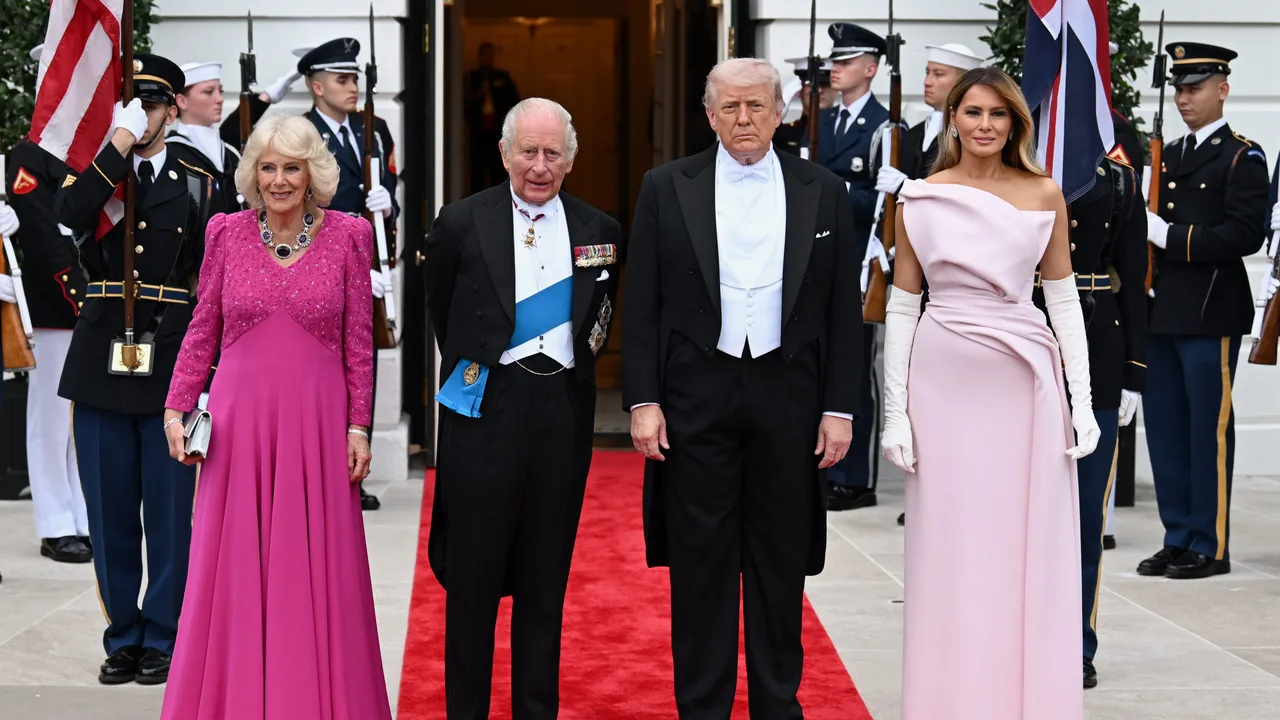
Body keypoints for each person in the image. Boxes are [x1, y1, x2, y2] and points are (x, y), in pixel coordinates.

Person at [624, 58, 861, 717]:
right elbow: (642, 302)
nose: (744, 118)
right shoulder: (666, 186)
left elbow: (843, 310)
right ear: (709, 115)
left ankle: (777, 705)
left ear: (781, 112)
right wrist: (643, 400)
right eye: (729, 107)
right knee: (699, 565)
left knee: (779, 563)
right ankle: (703, 707)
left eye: (757, 106)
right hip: (696, 394)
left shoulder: (824, 189)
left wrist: (839, 407)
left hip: (789, 396)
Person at [882, 67, 1099, 718]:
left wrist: (1083, 401)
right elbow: (902, 306)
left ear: (1015, 124)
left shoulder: (1044, 193)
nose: (984, 125)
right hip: (942, 387)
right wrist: (895, 413)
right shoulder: (920, 198)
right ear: (953, 119)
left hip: (1024, 384)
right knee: (950, 547)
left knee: (1022, 545)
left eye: (998, 114)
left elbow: (1064, 301)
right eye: (973, 112)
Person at [157, 115, 388, 719]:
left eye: (292, 168)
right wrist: (178, 405)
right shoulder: (225, 232)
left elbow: (359, 342)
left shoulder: (350, 235)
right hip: (240, 425)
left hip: (317, 424)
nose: (279, 180)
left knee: (316, 568)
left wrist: (358, 426)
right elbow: (202, 326)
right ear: (253, 174)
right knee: (233, 563)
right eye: (268, 167)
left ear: (313, 175)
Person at [424, 97, 622, 720]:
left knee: (544, 581)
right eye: (528, 152)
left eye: (552, 153)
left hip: (561, 412)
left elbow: (601, 317)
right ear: (505, 153)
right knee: (473, 582)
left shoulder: (600, 229)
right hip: (486, 409)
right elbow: (441, 308)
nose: (540, 166)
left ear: (570, 159)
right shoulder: (461, 221)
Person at [53, 54, 216, 685]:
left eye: (150, 105)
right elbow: (69, 216)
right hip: (101, 360)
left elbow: (214, 271)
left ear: (173, 110)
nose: (140, 114)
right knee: (110, 510)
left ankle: (163, 633)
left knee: (170, 514)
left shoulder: (198, 178)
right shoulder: (99, 173)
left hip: (172, 357)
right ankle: (122, 634)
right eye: (132, 104)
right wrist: (117, 146)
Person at [1138, 42, 1269, 581]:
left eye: (1195, 88)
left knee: (1206, 432)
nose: (1184, 99)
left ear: (1223, 89)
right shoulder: (1167, 154)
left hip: (1210, 312)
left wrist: (1171, 236)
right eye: (1179, 89)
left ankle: (1210, 544)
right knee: (1166, 429)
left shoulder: (1242, 157)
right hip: (1161, 311)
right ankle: (1177, 537)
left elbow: (1244, 234)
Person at [1029, 123, 1147, 690]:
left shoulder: (1117, 177)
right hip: (1022, 343)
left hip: (1098, 351)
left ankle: (1076, 642)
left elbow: (1134, 278)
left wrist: (1134, 373)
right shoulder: (1011, 167)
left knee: (1083, 515)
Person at [871, 41, 983, 527]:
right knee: (921, 394)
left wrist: (909, 190)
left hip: (954, 283)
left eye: (939, 73)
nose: (928, 81)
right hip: (914, 273)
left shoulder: (966, 140)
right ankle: (926, 487)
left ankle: (959, 491)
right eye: (929, 72)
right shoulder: (915, 132)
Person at [298, 37, 399, 511]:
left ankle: (353, 470)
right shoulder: (301, 134)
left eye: (355, 78)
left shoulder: (373, 130)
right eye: (342, 79)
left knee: (362, 366)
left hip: (368, 264)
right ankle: (314, 469)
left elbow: (387, 193)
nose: (353, 87)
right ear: (317, 86)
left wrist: (390, 204)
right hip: (320, 270)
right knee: (319, 369)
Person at [5, 117, 92, 565]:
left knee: (84, 422)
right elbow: (42, 237)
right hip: (57, 306)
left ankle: (83, 516)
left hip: (97, 304)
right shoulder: (30, 156)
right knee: (52, 422)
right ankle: (55, 524)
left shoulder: (92, 148)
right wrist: (80, 295)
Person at [817, 22, 888, 512]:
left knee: (855, 368)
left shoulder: (885, 128)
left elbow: (882, 205)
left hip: (860, 260)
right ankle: (823, 466)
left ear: (871, 68)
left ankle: (854, 477)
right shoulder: (822, 122)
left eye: (845, 62)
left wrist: (834, 189)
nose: (835, 69)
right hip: (818, 256)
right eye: (834, 62)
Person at [465, 41, 521, 193]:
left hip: (498, 132)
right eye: (484, 55)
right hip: (478, 132)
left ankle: (500, 200)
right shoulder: (471, 77)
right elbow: (465, 104)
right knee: (477, 172)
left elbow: (514, 102)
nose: (487, 58)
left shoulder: (502, 76)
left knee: (498, 169)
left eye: (489, 55)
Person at [774, 56, 836, 158]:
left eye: (825, 84)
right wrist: (781, 102)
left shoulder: (844, 132)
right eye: (811, 85)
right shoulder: (783, 133)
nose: (819, 90)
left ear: (836, 89)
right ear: (799, 90)